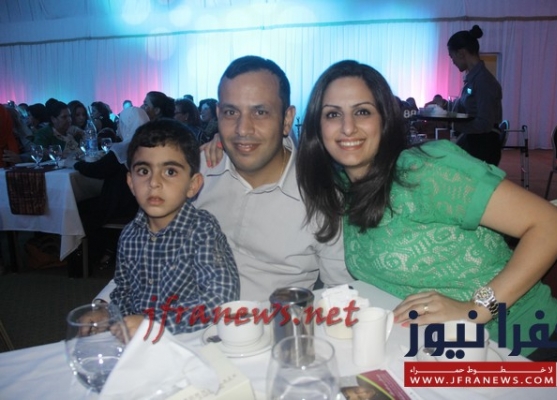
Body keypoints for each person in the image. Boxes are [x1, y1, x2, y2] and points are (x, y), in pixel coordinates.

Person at [295, 60, 557, 364]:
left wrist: (475, 310)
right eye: (333, 114)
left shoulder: (425, 171)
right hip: (442, 353)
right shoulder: (343, 187)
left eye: (362, 112)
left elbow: (554, 225)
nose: (347, 127)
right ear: (318, 126)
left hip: (528, 345)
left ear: (384, 119)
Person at [95, 56, 352, 304]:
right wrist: (103, 306)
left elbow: (340, 293)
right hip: (174, 321)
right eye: (231, 112)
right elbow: (141, 251)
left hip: (269, 327)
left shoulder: (323, 196)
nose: (243, 129)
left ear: (287, 119)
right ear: (218, 114)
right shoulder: (193, 171)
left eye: (260, 112)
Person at [110, 118, 239, 338]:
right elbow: (122, 292)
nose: (154, 183)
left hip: (188, 342)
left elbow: (221, 298)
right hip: (138, 343)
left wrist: (155, 324)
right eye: (143, 171)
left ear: (193, 185)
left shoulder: (201, 230)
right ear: (131, 182)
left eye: (170, 172)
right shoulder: (129, 235)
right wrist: (108, 315)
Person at [62, 107, 149, 271]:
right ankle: (110, 249)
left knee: (77, 208)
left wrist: (74, 164)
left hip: (123, 206)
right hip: (144, 204)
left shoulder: (125, 148)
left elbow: (97, 171)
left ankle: (89, 257)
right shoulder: (153, 144)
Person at [448, 25, 503, 165]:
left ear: (461, 53)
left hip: (482, 148)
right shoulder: (473, 79)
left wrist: (453, 125)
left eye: (452, 56)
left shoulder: (483, 81)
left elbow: (484, 124)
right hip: (475, 142)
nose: (452, 61)